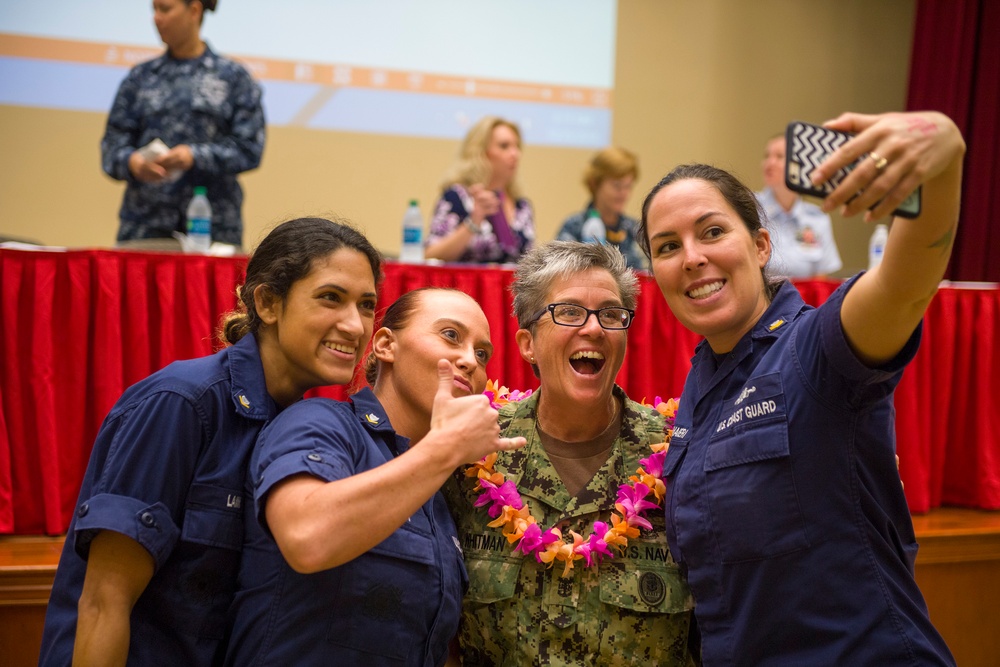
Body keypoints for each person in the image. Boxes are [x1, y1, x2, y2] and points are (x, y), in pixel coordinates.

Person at [637, 111, 963, 665]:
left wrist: (945, 149)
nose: (692, 257)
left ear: (762, 246)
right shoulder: (698, 389)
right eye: (667, 247)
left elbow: (907, 285)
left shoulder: (820, 348)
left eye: (712, 231)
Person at [38, 217, 382, 664]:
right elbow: (105, 602)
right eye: (330, 298)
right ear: (268, 302)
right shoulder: (183, 402)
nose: (355, 326)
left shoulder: (305, 427)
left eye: (368, 305)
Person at [224, 288, 527, 666]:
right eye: (450, 335)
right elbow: (306, 537)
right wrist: (444, 449)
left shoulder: (442, 488)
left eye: (482, 354)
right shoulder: (322, 423)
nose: (469, 361)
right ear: (385, 345)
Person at [444, 241, 697, 665]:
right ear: (527, 343)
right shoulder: (471, 451)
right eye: (570, 312)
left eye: (611, 315)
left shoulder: (680, 453)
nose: (595, 329)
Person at [101, 0, 265, 249]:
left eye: (165, 9)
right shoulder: (140, 78)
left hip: (213, 227)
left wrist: (194, 156)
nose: (156, 18)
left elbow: (249, 149)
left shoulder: (233, 77)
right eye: (154, 10)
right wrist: (133, 163)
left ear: (195, 11)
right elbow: (111, 147)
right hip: (145, 225)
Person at [425, 116, 534, 264]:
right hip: (464, 286)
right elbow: (430, 255)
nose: (515, 154)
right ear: (481, 152)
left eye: (517, 147)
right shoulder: (456, 198)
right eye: (504, 146)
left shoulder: (522, 206)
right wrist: (474, 221)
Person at [757, 134, 843, 277]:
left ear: (798, 166)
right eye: (767, 156)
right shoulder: (749, 209)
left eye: (779, 157)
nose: (769, 163)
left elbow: (820, 279)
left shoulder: (817, 219)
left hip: (803, 299)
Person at [556, 146, 648, 271]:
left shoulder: (636, 230)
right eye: (617, 186)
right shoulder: (573, 226)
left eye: (628, 186)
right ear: (595, 183)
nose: (624, 193)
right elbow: (560, 273)